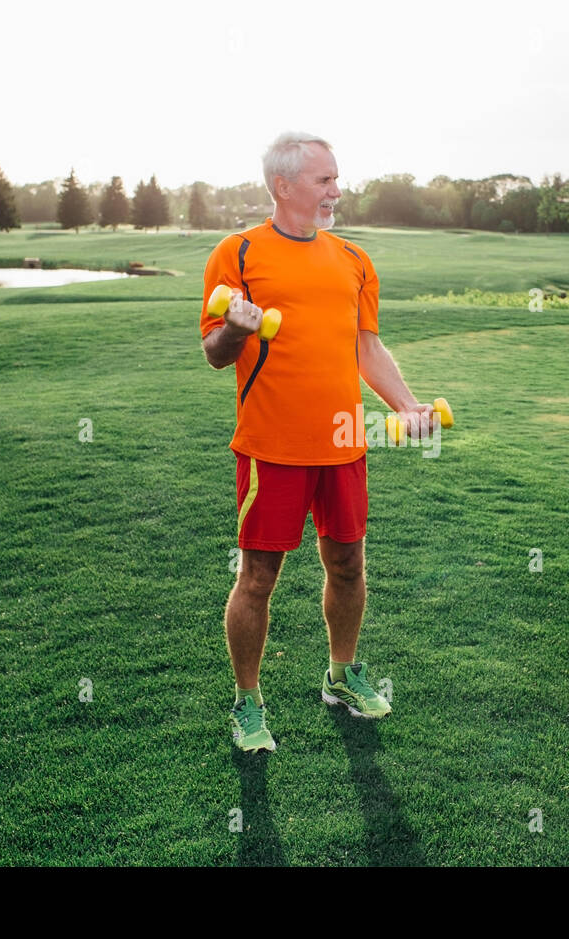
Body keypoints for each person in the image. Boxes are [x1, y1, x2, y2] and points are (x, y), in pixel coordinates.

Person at [200, 132, 438, 753]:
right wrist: (234, 326)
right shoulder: (239, 252)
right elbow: (214, 355)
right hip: (271, 447)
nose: (337, 189)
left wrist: (406, 405)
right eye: (324, 179)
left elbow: (367, 346)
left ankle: (342, 675)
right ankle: (248, 703)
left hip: (345, 443)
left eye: (337, 178)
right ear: (284, 186)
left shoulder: (354, 259)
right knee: (258, 577)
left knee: (349, 565)